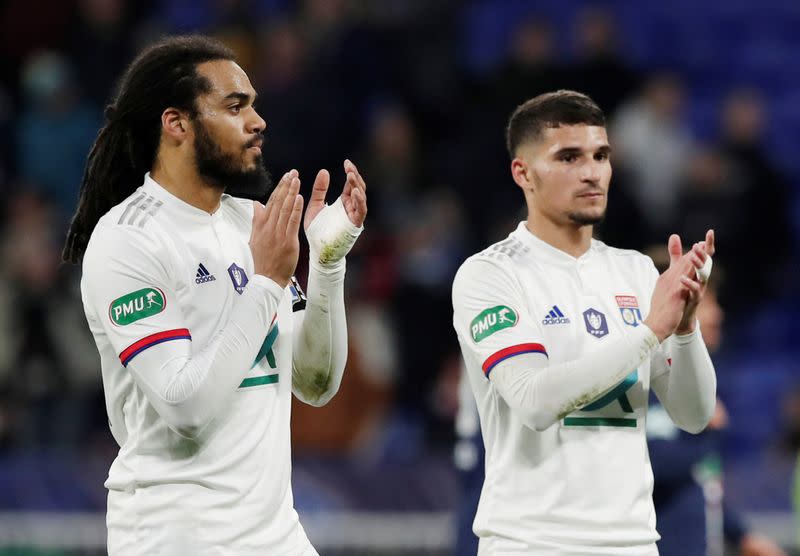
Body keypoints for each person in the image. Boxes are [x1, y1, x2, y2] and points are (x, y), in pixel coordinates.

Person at [62, 35, 367, 555]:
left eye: (253, 104)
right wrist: (267, 281)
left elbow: (315, 383)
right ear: (176, 123)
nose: (257, 121)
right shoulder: (128, 239)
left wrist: (326, 263)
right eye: (234, 106)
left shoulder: (251, 223)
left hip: (276, 533)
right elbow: (186, 408)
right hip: (179, 535)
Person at [451, 90, 717, 555]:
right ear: (524, 173)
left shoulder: (634, 271)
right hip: (533, 542)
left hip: (634, 542)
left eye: (601, 156)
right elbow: (533, 400)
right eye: (569, 157)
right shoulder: (491, 274)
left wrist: (685, 326)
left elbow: (694, 415)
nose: (592, 172)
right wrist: (650, 330)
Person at [646, 262, 786, 556]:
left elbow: (698, 483)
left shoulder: (694, 388)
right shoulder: (642, 386)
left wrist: (742, 535)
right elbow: (649, 468)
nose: (718, 314)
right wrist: (706, 432)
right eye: (706, 303)